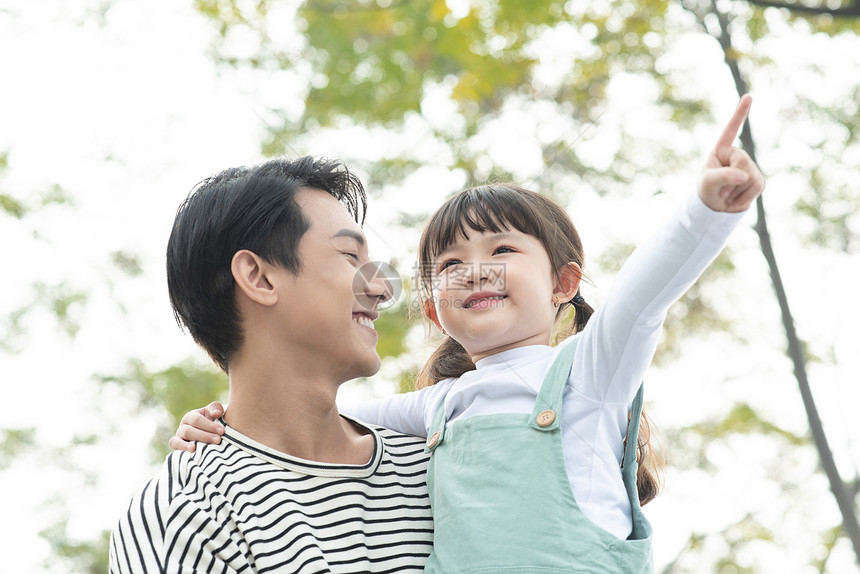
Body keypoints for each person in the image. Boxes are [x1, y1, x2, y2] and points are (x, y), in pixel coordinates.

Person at [172, 96, 765, 572]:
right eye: (451, 265)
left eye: (502, 249)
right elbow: (316, 415)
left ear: (564, 283)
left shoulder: (589, 375)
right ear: (435, 312)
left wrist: (706, 211)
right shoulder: (440, 407)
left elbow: (641, 298)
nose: (475, 269)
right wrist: (221, 420)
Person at [108, 156, 435, 573]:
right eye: (351, 257)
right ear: (259, 278)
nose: (379, 289)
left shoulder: (438, 466)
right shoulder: (186, 512)